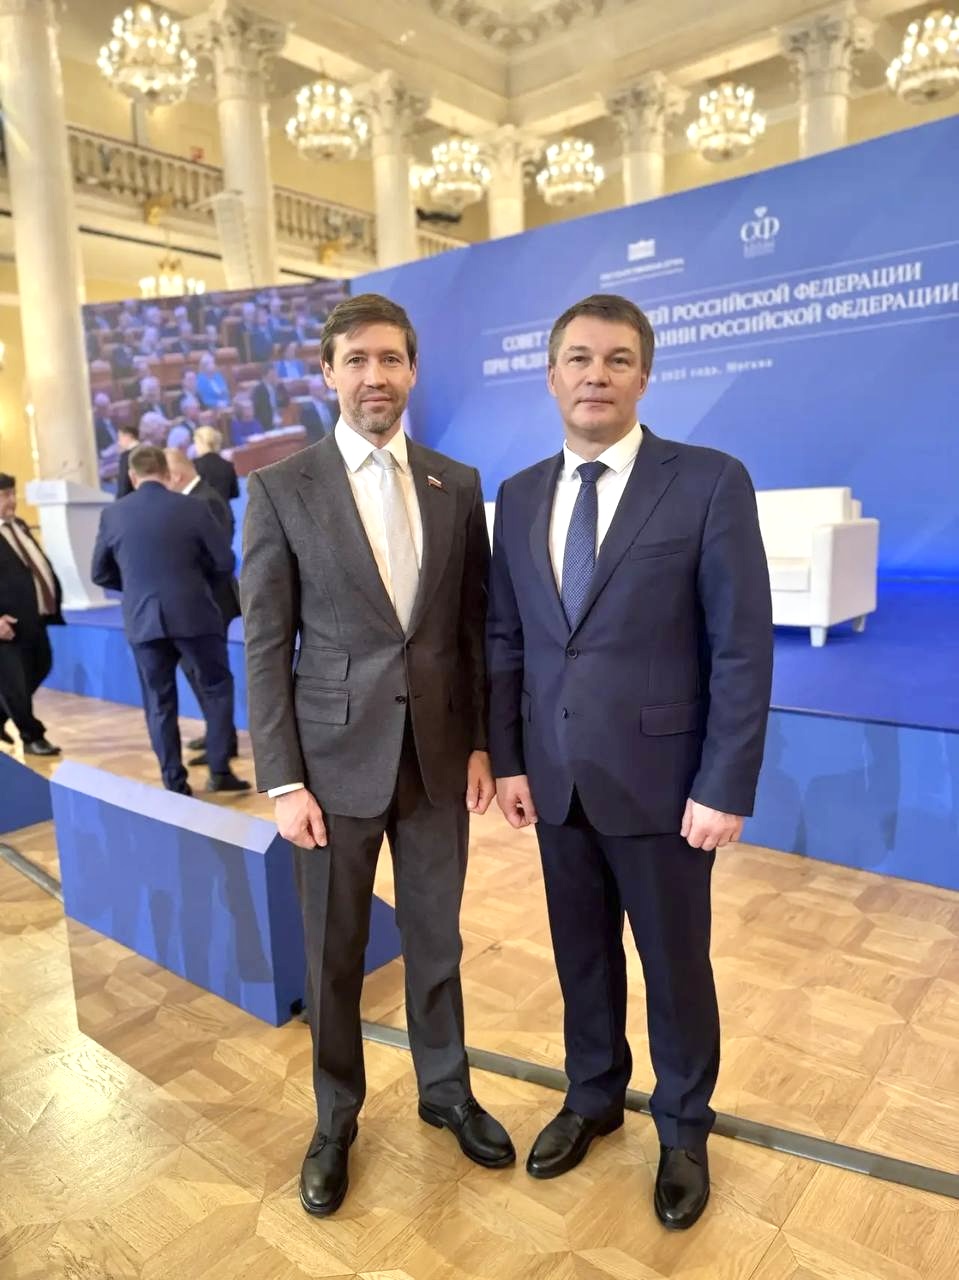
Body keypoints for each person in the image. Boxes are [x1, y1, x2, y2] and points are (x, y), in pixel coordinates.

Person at [487, 294, 773, 1230]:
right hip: (555, 779)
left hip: (666, 787)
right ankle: (593, 1096)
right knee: (580, 956)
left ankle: (683, 1128)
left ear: (643, 376)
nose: (596, 375)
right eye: (578, 358)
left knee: (674, 967)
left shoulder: (707, 480)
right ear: (551, 376)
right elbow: (508, 638)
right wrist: (512, 759)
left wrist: (723, 783)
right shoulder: (519, 495)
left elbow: (740, 648)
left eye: (616, 359)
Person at [241, 292, 513, 1219]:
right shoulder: (281, 489)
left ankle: (446, 1091)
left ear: (412, 371)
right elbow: (265, 644)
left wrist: (482, 740)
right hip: (328, 770)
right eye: (356, 360)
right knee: (333, 955)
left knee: (437, 939)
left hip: (437, 763)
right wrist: (283, 780)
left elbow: (472, 627)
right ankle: (335, 1118)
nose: (374, 376)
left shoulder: (454, 482)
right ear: (328, 373)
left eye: (390, 359)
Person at [91, 445, 250, 797]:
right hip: (195, 614)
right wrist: (195, 582)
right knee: (216, 688)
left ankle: (174, 783)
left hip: (143, 621)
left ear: (132, 476)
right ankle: (220, 771)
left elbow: (99, 573)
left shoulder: (113, 514)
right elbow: (224, 562)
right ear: (166, 472)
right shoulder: (193, 507)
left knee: (159, 702)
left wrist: (135, 587)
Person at [165, 448, 241, 766]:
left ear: (175, 476)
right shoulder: (197, 499)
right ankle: (218, 735)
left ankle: (221, 742)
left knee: (207, 674)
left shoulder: (205, 500)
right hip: (198, 604)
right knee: (197, 671)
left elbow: (217, 558)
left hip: (210, 603)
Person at [0, 473, 63, 755]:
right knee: (14, 683)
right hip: (6, 625)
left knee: (41, 666)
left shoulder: (19, 526)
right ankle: (32, 736)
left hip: (33, 618)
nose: (12, 500)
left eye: (12, 493)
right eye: (4, 496)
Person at [193, 426, 240, 516]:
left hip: (205, 516)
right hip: (226, 515)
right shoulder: (227, 465)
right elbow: (235, 493)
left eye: (195, 442)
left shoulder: (194, 466)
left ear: (201, 443)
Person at [252, 365, 290, 433]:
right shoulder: (259, 390)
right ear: (264, 376)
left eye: (275, 375)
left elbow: (286, 403)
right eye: (272, 375)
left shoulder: (278, 387)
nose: (275, 377)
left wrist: (281, 387)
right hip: (266, 425)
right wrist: (271, 421)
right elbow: (258, 411)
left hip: (280, 420)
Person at [299, 375, 336, 444]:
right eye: (319, 388)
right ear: (312, 391)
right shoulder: (307, 410)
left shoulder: (330, 405)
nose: (322, 390)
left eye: (323, 387)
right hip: (320, 443)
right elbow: (310, 434)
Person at [114, 423, 139, 499]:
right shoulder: (147, 451)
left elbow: (124, 483)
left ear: (128, 436)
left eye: (120, 438)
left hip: (130, 500)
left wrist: (119, 502)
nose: (119, 442)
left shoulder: (127, 456)